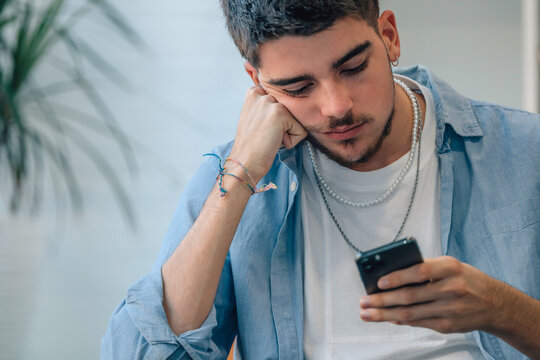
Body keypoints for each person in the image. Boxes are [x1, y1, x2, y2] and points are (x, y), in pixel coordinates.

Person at [101, 1, 540, 359]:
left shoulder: (524, 150)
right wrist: (241, 176)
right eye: (297, 88)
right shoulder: (230, 176)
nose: (336, 106)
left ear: (389, 36)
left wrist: (502, 309)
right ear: (257, 84)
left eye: (352, 67)